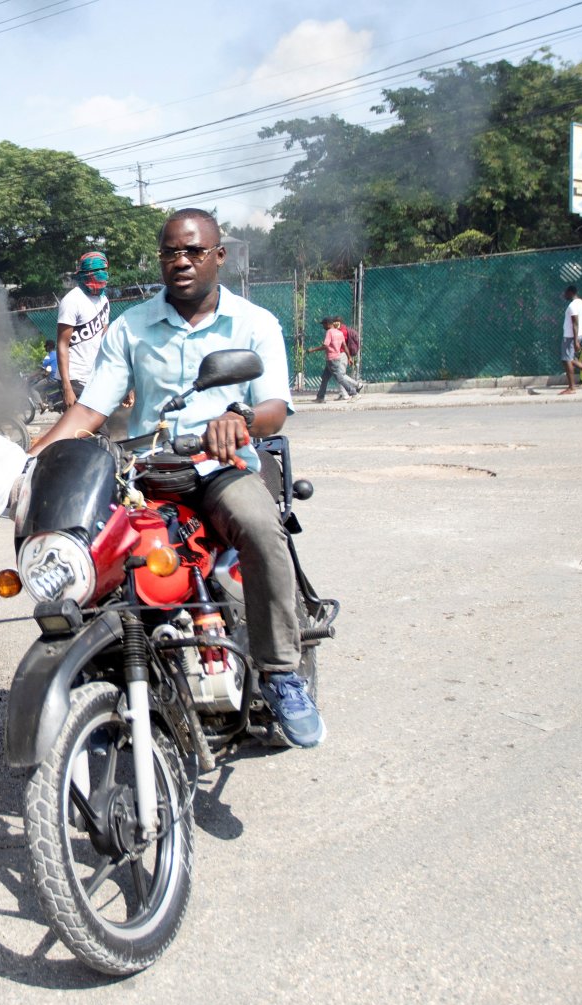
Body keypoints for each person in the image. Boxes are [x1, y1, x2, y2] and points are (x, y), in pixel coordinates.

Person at [29, 207, 324, 748]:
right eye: (170, 252)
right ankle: (103, 678)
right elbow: (91, 409)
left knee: (260, 528)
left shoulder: (256, 324)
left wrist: (239, 421)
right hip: (146, 476)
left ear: (218, 256)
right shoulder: (131, 327)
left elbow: (276, 407)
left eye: (193, 251)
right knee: (83, 549)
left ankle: (281, 674)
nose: (181, 261)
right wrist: (31, 457)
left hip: (219, 471)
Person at [55, 251, 111, 408]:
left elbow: (105, 339)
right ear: (84, 274)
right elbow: (62, 344)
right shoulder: (72, 301)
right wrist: (67, 387)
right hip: (74, 378)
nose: (102, 276)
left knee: (90, 427)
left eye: (104, 272)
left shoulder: (103, 299)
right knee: (93, 431)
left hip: (93, 376)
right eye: (97, 272)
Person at [307, 316, 359, 403]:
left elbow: (325, 346)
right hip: (336, 358)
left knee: (340, 378)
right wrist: (349, 357)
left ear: (328, 324)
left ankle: (354, 393)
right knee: (325, 378)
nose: (323, 327)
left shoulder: (329, 332)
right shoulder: (339, 332)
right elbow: (345, 346)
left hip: (332, 359)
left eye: (323, 325)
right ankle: (320, 397)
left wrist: (312, 350)